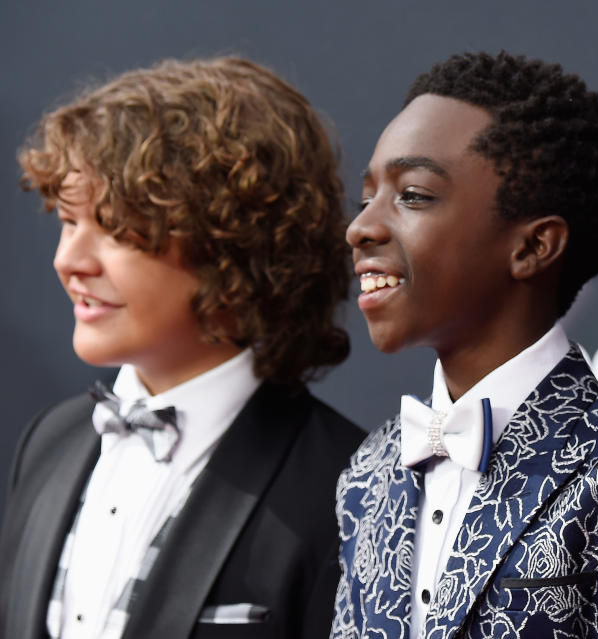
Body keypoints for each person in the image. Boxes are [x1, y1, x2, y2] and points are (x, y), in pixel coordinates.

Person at [333, 51, 598, 639]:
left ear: (534, 247)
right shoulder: (365, 476)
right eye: (368, 196)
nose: (361, 227)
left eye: (412, 194)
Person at [0, 57, 365, 639]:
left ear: (235, 247)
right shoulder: (49, 443)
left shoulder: (352, 486)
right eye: (69, 220)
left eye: (117, 228)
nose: (69, 260)